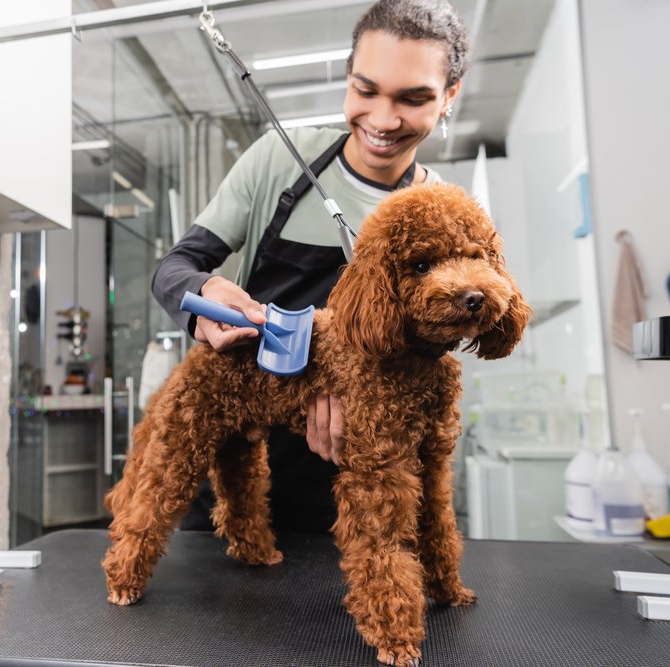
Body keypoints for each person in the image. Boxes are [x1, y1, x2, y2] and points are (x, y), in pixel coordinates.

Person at [151, 0, 470, 533]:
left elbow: (435, 348)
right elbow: (175, 267)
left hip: (367, 479)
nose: (383, 120)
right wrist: (204, 291)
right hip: (241, 456)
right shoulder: (280, 159)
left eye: (412, 99)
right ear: (347, 79)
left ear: (448, 98)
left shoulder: (445, 215)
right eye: (365, 90)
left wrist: (355, 387)